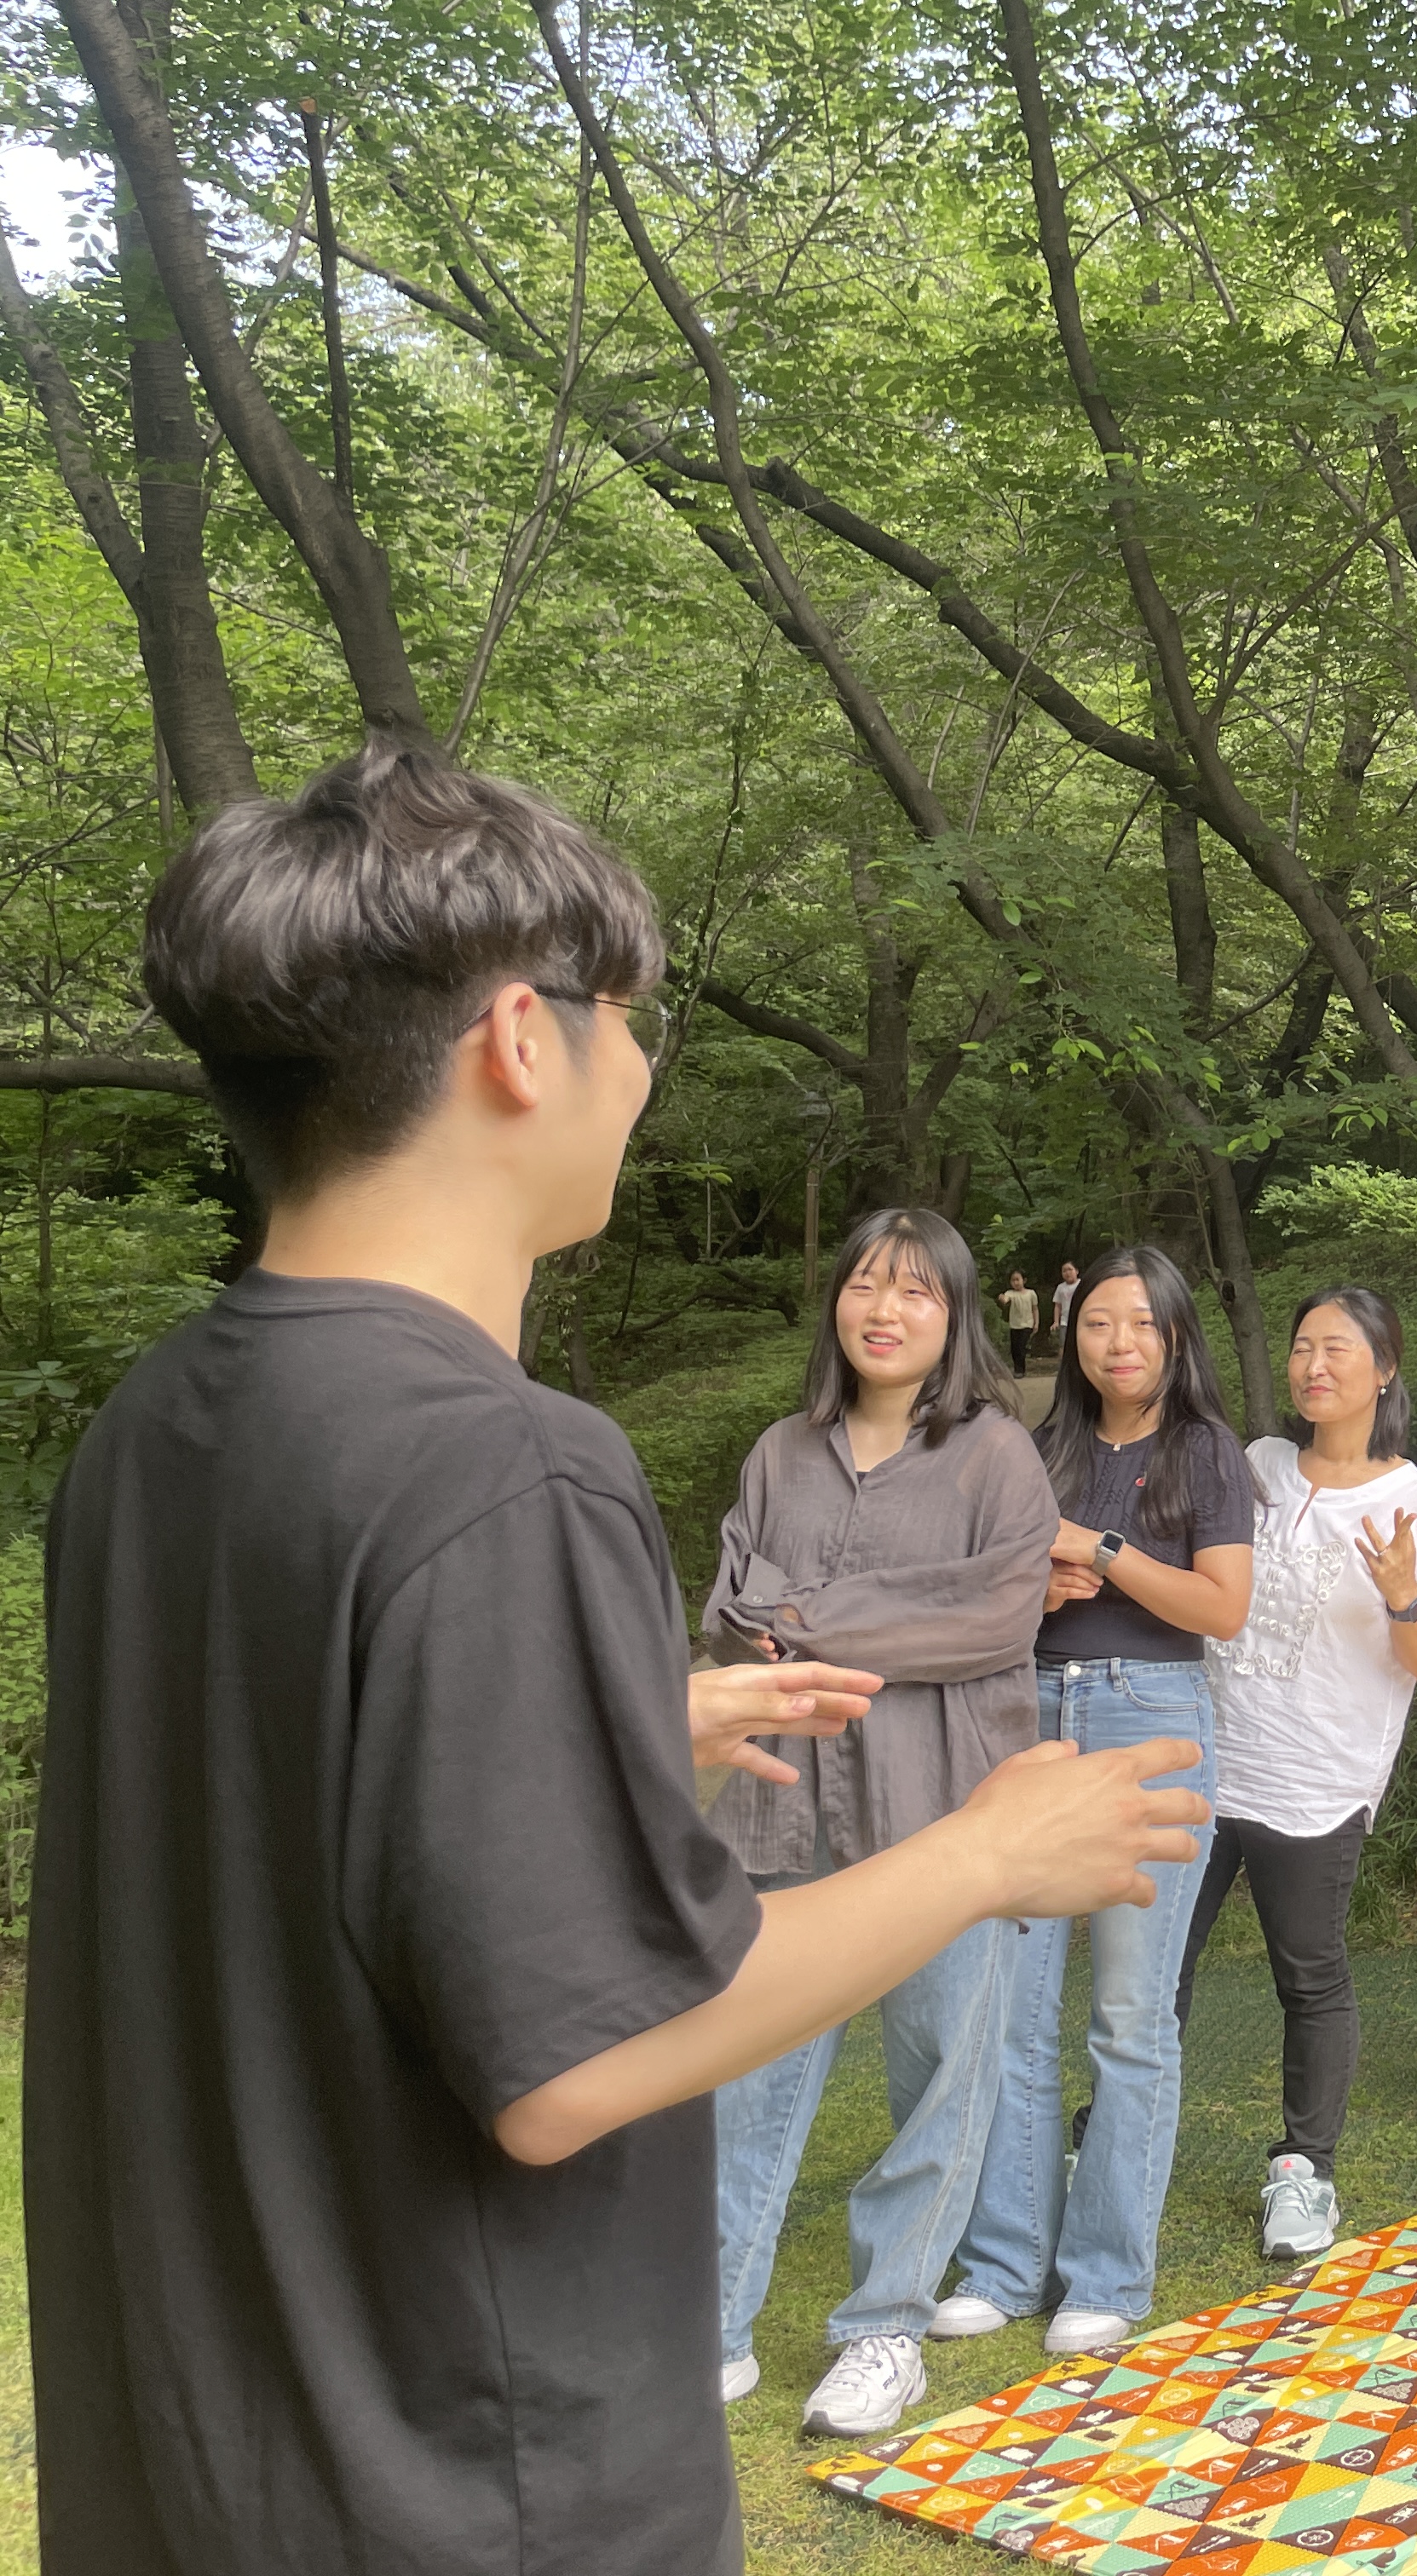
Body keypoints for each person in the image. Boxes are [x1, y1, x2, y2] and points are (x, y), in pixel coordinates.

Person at [27, 746, 1201, 2576]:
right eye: (629, 1021)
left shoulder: (151, 1428)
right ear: (522, 1038)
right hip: (464, 2490)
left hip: (190, 2473)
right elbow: (581, 2055)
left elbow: (280, 1824)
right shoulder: (507, 1463)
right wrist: (989, 1854)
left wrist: (625, 1726)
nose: (640, 1071)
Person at [703, 1205, 1070, 2438]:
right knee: (748, 2074)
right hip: (785, 1807)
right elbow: (728, 1608)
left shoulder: (995, 1457)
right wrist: (857, 1611)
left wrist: (805, 1615)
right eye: (866, 1283)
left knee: (939, 2078)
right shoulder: (780, 1452)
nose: (885, 1308)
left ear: (955, 1315)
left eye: (916, 1290)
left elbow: (992, 1616)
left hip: (942, 1811)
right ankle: (712, 2326)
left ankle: (886, 2328)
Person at [942, 1245, 1254, 2355]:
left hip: (1149, 1717)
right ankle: (1005, 2262)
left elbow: (1221, 1609)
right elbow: (991, 1595)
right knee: (1012, 2009)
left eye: (1142, 1324)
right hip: (1032, 1711)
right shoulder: (1043, 1449)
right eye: (1098, 1325)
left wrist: (1103, 1551)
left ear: (1176, 1336)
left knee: (1129, 2016)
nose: (1119, 1344)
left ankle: (1107, 2276)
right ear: (1071, 1336)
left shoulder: (1207, 1450)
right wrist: (1038, 1586)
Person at [1187, 1284, 1417, 2260]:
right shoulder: (1258, 1468)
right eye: (1303, 1346)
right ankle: (1107, 2140)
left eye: (1338, 1349)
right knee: (1152, 1970)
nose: (1314, 1366)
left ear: (1385, 1369)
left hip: (1316, 1781)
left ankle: (1304, 2170)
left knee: (1308, 1977)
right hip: (1201, 1761)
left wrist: (1403, 1596)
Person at [1001, 1268, 1040, 1376]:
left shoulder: (1031, 1293)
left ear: (1024, 1280)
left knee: (1021, 1347)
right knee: (1014, 1348)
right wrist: (1002, 1298)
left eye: (1018, 1280)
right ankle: (1017, 1369)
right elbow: (1006, 1300)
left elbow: (1035, 1309)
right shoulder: (1010, 1293)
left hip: (1027, 1324)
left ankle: (1020, 1370)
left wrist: (1036, 1323)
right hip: (1014, 1325)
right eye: (1013, 1280)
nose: (1015, 1282)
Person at [1050, 1258, 1081, 1373]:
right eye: (1064, 1271)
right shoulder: (1060, 1288)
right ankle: (1063, 1369)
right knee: (1063, 1346)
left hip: (1080, 1321)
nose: (1067, 1273)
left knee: (1080, 1346)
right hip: (1065, 1322)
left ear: (1076, 1271)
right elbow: (1057, 1305)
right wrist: (1056, 1321)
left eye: (1070, 1269)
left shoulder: (1082, 1284)